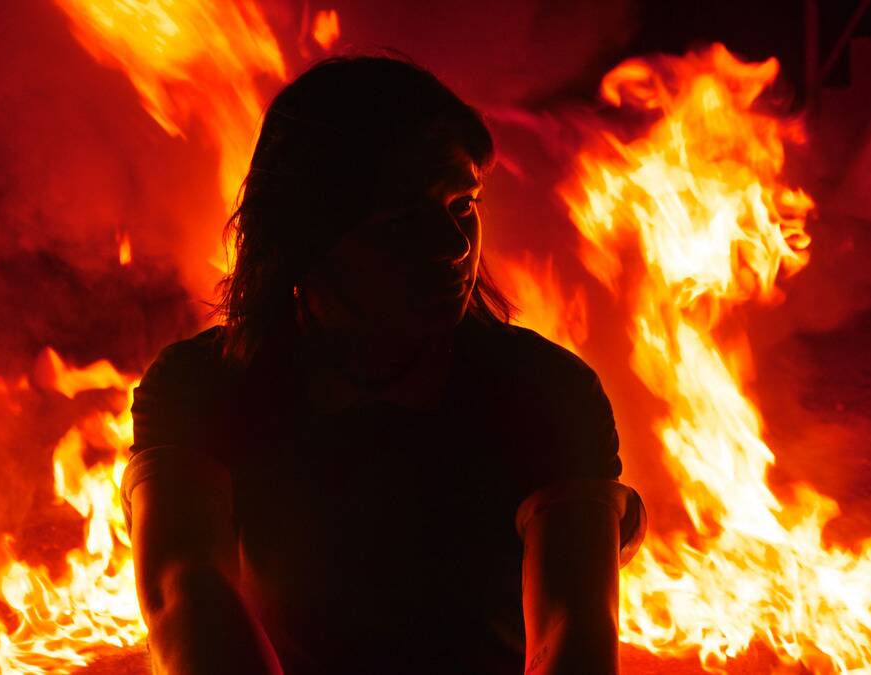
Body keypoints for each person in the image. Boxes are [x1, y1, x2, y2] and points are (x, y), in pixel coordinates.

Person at [121, 55, 645, 675]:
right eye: (402, 221)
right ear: (307, 236)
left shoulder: (545, 392)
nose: (453, 247)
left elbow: (573, 630)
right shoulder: (199, 387)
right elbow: (186, 593)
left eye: (463, 207)